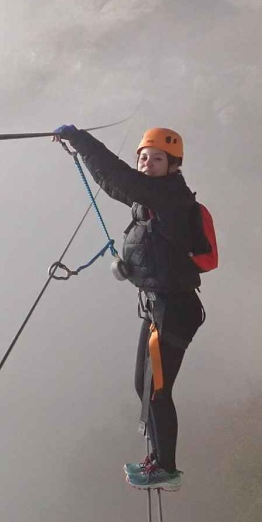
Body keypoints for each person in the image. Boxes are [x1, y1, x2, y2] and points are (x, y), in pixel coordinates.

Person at [53, 124, 207, 491]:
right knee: (143, 386)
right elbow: (113, 185)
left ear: (172, 166)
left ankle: (166, 470)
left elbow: (117, 175)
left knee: (156, 391)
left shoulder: (169, 195)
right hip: (159, 305)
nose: (147, 163)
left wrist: (80, 139)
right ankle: (157, 459)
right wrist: (132, 268)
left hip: (174, 310)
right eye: (144, 157)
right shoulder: (149, 199)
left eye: (157, 159)